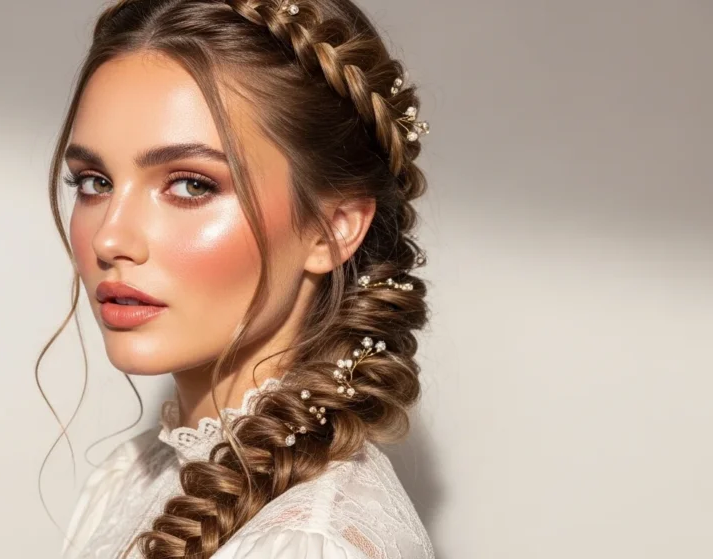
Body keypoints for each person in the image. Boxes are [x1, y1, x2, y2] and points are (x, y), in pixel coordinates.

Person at [41, 0, 435, 557]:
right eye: (94, 182)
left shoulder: (310, 543)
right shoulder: (127, 480)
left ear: (332, 227)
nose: (109, 238)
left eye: (191, 185)